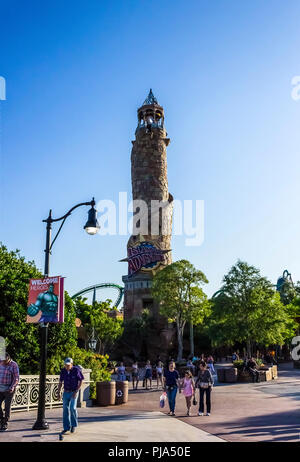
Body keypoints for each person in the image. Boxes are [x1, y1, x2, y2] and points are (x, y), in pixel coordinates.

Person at [58, 357, 84, 435]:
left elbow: (81, 380)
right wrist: (58, 392)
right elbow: (60, 382)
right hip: (66, 392)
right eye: (66, 365)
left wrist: (76, 391)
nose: (67, 366)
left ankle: (73, 425)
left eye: (68, 365)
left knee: (72, 408)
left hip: (74, 392)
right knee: (65, 410)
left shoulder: (76, 370)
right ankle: (66, 427)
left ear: (72, 364)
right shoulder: (63, 371)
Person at [0, 352, 19, 431]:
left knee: (7, 407)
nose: (3, 363)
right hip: (0, 387)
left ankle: (5, 423)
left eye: (5, 361)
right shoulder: (0, 362)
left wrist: (12, 387)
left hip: (9, 389)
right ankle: (1, 419)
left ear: (8, 359)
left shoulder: (14, 365)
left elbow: (16, 378)